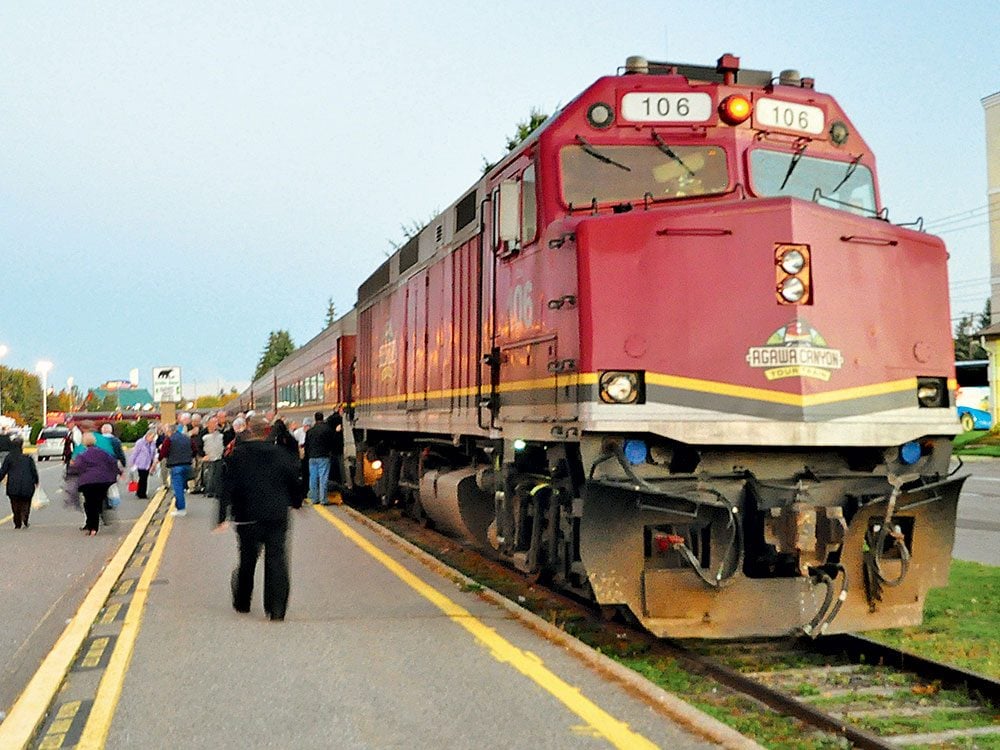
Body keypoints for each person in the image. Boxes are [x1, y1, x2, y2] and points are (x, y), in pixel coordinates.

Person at [216, 416, 299, 621]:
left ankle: (243, 601)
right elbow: (294, 479)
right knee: (276, 560)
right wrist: (296, 502)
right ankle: (276, 609)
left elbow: (226, 487)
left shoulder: (237, 455)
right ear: (267, 431)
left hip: (247, 516)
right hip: (276, 515)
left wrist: (222, 516)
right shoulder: (281, 454)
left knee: (247, 559)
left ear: (249, 431)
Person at [71, 432, 119, 535]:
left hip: (87, 483)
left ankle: (92, 527)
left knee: (89, 504)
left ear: (84, 443)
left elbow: (77, 467)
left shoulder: (83, 455)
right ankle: (96, 524)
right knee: (98, 502)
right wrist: (115, 474)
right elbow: (113, 463)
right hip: (102, 481)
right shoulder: (103, 453)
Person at [0, 438, 39, 529]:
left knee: (15, 503)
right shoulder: (28, 457)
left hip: (13, 484)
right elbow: (33, 471)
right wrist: (36, 481)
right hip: (27, 483)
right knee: (26, 502)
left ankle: (17, 522)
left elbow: (3, 471)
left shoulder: (9, 458)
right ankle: (25, 517)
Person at [161, 423, 193, 517]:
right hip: (187, 465)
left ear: (170, 431)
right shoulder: (187, 438)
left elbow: (164, 452)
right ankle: (180, 503)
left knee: (177, 488)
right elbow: (194, 449)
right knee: (182, 487)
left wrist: (159, 460)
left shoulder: (169, 440)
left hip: (176, 466)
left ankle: (181, 508)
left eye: (166, 431)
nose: (166, 433)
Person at [303, 411, 334, 504]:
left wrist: (308, 454)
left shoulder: (310, 431)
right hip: (323, 456)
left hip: (312, 457)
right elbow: (331, 442)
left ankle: (314, 498)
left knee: (312, 478)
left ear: (315, 419)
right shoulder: (327, 429)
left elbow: (306, 445)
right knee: (323, 478)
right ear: (322, 418)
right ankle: (323, 499)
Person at [271, 419, 303, 509]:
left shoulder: (275, 438)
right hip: (291, 463)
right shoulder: (289, 437)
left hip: (280, 464)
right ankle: (294, 500)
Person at [129, 429, 159, 499]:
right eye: (152, 437)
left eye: (153, 437)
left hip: (149, 463)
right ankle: (142, 494)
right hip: (141, 463)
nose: (152, 439)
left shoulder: (153, 443)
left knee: (144, 478)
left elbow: (154, 453)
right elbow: (135, 453)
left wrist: (154, 462)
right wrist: (132, 462)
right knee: (143, 478)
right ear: (147, 435)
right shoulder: (140, 442)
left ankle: (139, 491)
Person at [201, 416, 225, 498]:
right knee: (209, 474)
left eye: (216, 422)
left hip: (218, 457)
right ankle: (208, 490)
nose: (215, 424)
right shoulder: (203, 434)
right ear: (208, 424)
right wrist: (203, 455)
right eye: (213, 422)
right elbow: (198, 445)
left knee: (217, 474)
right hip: (208, 457)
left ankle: (217, 492)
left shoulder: (220, 434)